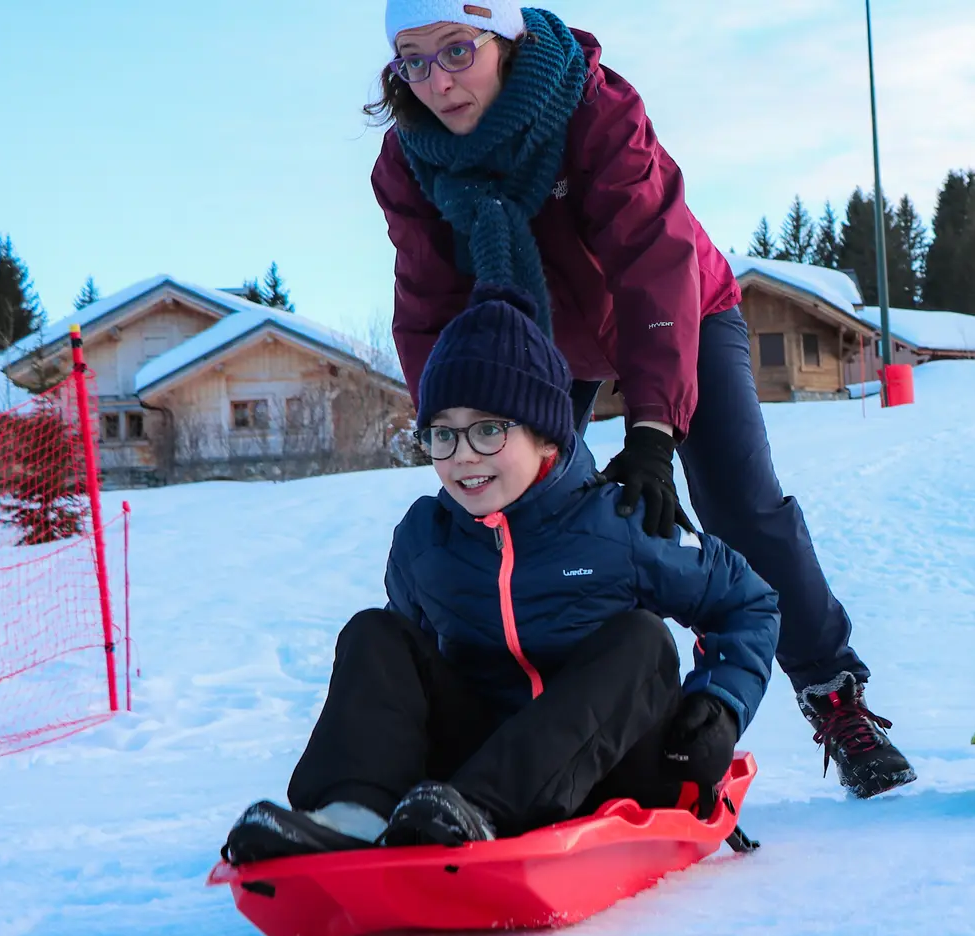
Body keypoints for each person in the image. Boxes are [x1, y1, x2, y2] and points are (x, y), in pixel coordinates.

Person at [366, 2, 915, 797]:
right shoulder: (408, 161)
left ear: (508, 42)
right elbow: (427, 305)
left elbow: (655, 258)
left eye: (458, 49)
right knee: (544, 524)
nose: (438, 81)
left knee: (740, 506)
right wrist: (451, 428)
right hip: (537, 343)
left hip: (675, 307)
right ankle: (557, 726)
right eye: (413, 61)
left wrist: (655, 431)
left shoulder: (590, 104)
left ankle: (834, 692)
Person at [222, 288, 778, 864]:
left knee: (643, 641)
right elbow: (401, 683)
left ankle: (479, 814)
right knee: (376, 634)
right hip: (465, 780)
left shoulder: (621, 522)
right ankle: (352, 815)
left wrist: (720, 705)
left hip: (616, 767)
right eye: (443, 433)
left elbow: (749, 604)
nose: (463, 454)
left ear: (545, 436)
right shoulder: (424, 540)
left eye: (488, 430)